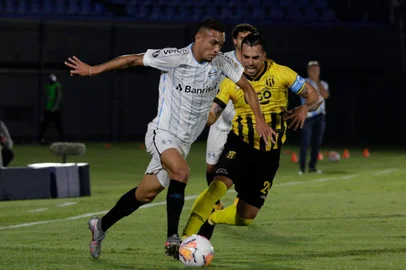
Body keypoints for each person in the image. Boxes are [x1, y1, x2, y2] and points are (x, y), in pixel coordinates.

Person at [64, 18, 275, 259]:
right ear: (198, 39)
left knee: (145, 194)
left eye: (221, 44)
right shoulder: (175, 57)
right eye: (213, 42)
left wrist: (259, 119)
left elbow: (247, 88)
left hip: (183, 143)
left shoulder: (222, 62)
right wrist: (93, 70)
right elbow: (132, 59)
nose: (217, 48)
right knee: (182, 172)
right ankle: (173, 239)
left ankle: (99, 226)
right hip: (161, 133)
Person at [182, 33, 323, 240]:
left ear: (263, 55)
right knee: (216, 187)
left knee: (245, 217)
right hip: (241, 144)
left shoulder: (282, 74)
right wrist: (196, 117)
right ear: (239, 54)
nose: (249, 63)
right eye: (245, 57)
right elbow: (213, 115)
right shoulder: (232, 81)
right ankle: (184, 239)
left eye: (255, 57)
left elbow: (315, 97)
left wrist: (304, 109)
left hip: (269, 153)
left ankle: (213, 219)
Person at [205, 23, 257, 211]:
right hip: (220, 122)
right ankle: (215, 202)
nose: (246, 41)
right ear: (235, 40)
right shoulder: (220, 59)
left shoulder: (255, 61)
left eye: (250, 38)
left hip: (244, 125)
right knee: (211, 166)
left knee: (247, 165)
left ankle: (241, 199)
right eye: (242, 38)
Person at [298, 61, 329, 175]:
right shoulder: (303, 83)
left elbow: (325, 95)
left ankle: (312, 167)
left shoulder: (323, 84)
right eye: (313, 70)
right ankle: (302, 168)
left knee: (317, 143)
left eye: (317, 70)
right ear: (308, 71)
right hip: (308, 117)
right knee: (305, 143)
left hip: (320, 117)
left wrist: (317, 82)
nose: (315, 72)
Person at [38, 73, 64, 144]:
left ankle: (62, 139)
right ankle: (40, 139)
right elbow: (46, 98)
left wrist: (54, 107)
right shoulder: (48, 86)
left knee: (58, 125)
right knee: (44, 125)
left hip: (55, 110)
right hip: (48, 109)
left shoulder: (57, 86)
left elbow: (58, 97)